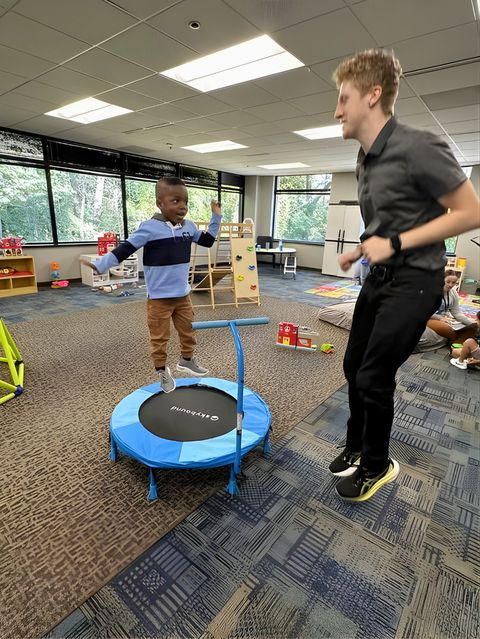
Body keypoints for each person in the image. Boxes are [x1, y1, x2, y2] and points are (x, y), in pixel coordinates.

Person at [328, 49, 480, 503]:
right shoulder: (363, 159)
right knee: (353, 365)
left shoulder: (419, 146)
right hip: (379, 276)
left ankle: (377, 465)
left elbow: (470, 211)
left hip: (417, 280)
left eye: (343, 98)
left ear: (373, 95)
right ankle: (356, 445)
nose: (336, 110)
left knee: (375, 375)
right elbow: (388, 222)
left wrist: (393, 244)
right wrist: (363, 247)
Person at [81, 176, 222, 393]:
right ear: (160, 203)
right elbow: (126, 248)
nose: (182, 206)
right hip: (158, 299)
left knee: (188, 330)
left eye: (185, 202)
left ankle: (186, 360)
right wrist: (102, 264)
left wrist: (216, 216)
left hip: (182, 296)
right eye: (175, 201)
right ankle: (162, 371)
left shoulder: (189, 227)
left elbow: (208, 241)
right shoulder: (149, 228)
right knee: (159, 337)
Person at [426, 270, 478, 344]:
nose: (450, 285)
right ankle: (458, 341)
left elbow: (456, 312)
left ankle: (460, 342)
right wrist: (440, 318)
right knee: (447, 329)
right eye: (448, 282)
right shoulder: (431, 292)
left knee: (473, 326)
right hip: (429, 318)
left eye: (453, 283)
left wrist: (471, 323)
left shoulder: (453, 293)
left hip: (446, 318)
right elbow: (424, 312)